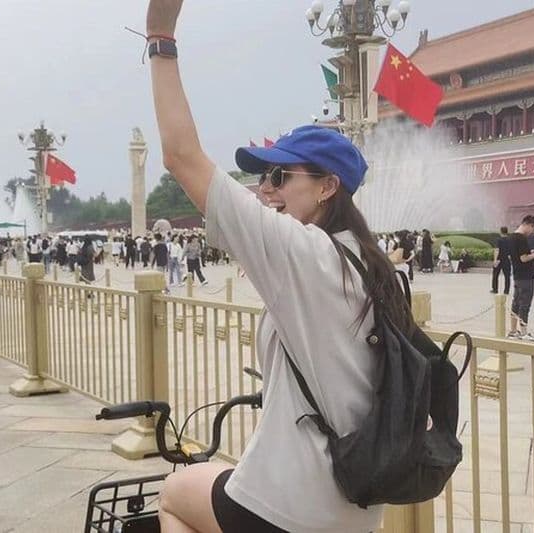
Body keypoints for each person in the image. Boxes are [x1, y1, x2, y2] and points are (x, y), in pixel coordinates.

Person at [144, 3, 418, 529]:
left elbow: (181, 156)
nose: (264, 189)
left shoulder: (304, 253)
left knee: (175, 493)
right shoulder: (371, 265)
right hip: (357, 510)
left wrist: (160, 38)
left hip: (290, 510)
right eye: (262, 177)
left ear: (327, 186)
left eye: (279, 176)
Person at [507, 215, 534, 342]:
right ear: (529, 225)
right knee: (525, 304)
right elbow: (523, 258)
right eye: (533, 229)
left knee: (516, 302)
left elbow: (516, 256)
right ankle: (524, 332)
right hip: (526, 276)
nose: (531, 232)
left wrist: (530, 253)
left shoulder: (512, 237)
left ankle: (513, 330)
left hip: (517, 275)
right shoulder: (521, 238)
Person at [491, 226, 511, 294]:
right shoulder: (510, 240)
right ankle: (506, 290)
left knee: (495, 275)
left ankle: (495, 289)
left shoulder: (498, 240)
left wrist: (495, 260)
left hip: (499, 260)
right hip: (507, 259)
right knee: (507, 276)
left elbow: (497, 250)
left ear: (501, 232)